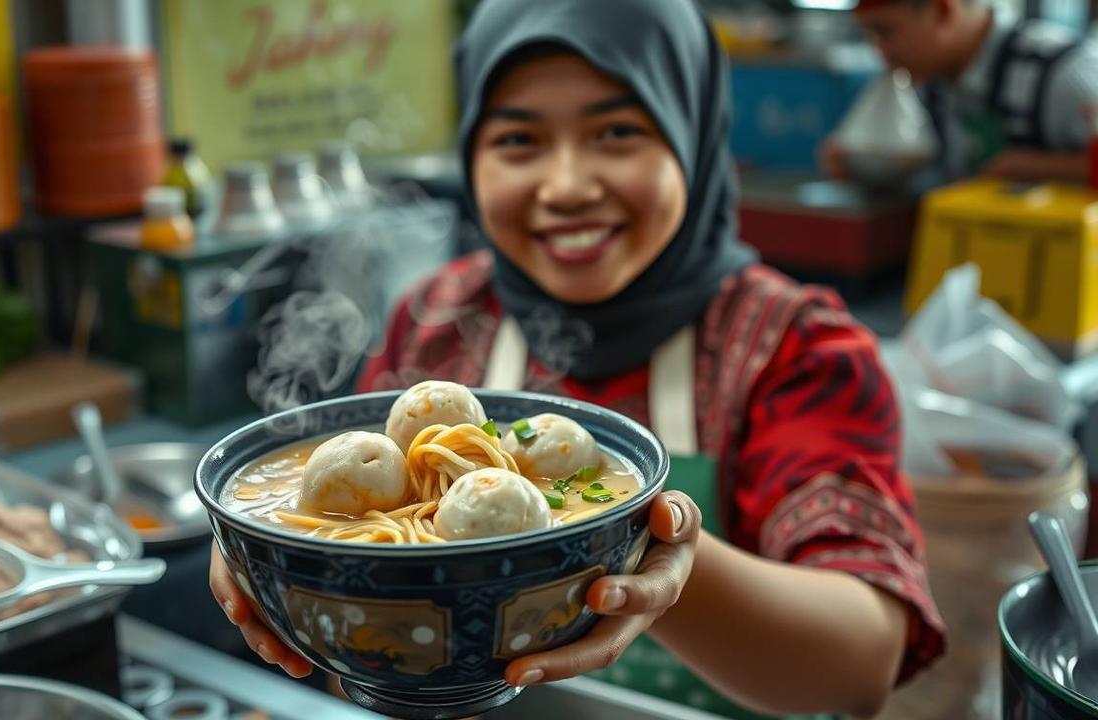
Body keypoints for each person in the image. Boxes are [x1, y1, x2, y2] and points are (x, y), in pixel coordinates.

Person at [210, 0, 947, 717]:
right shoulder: (438, 319)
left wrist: (643, 547)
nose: (565, 187)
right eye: (519, 142)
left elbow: (864, 663)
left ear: (692, 134)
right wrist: (285, 554)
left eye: (618, 131)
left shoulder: (797, 348)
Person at [822, 0, 1098, 184]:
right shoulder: (929, 80)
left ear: (944, 12)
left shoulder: (1060, 72)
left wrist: (1037, 169)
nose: (880, 53)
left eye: (885, 33)